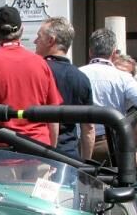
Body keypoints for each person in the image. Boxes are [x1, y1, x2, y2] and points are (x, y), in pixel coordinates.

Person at [0, 6, 62, 147]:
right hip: (37, 149)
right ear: (21, 30)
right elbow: (53, 115)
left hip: (0, 151)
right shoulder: (40, 64)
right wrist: (51, 152)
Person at [81, 27, 137, 162]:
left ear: (90, 52)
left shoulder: (78, 74)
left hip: (81, 142)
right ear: (114, 53)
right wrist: (136, 133)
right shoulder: (122, 77)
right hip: (110, 144)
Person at [34, 16, 94, 159]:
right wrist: (85, 165)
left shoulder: (33, 72)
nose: (35, 41)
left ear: (51, 41)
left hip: (35, 153)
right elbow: (88, 129)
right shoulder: (81, 78)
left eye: (39, 37)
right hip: (69, 157)